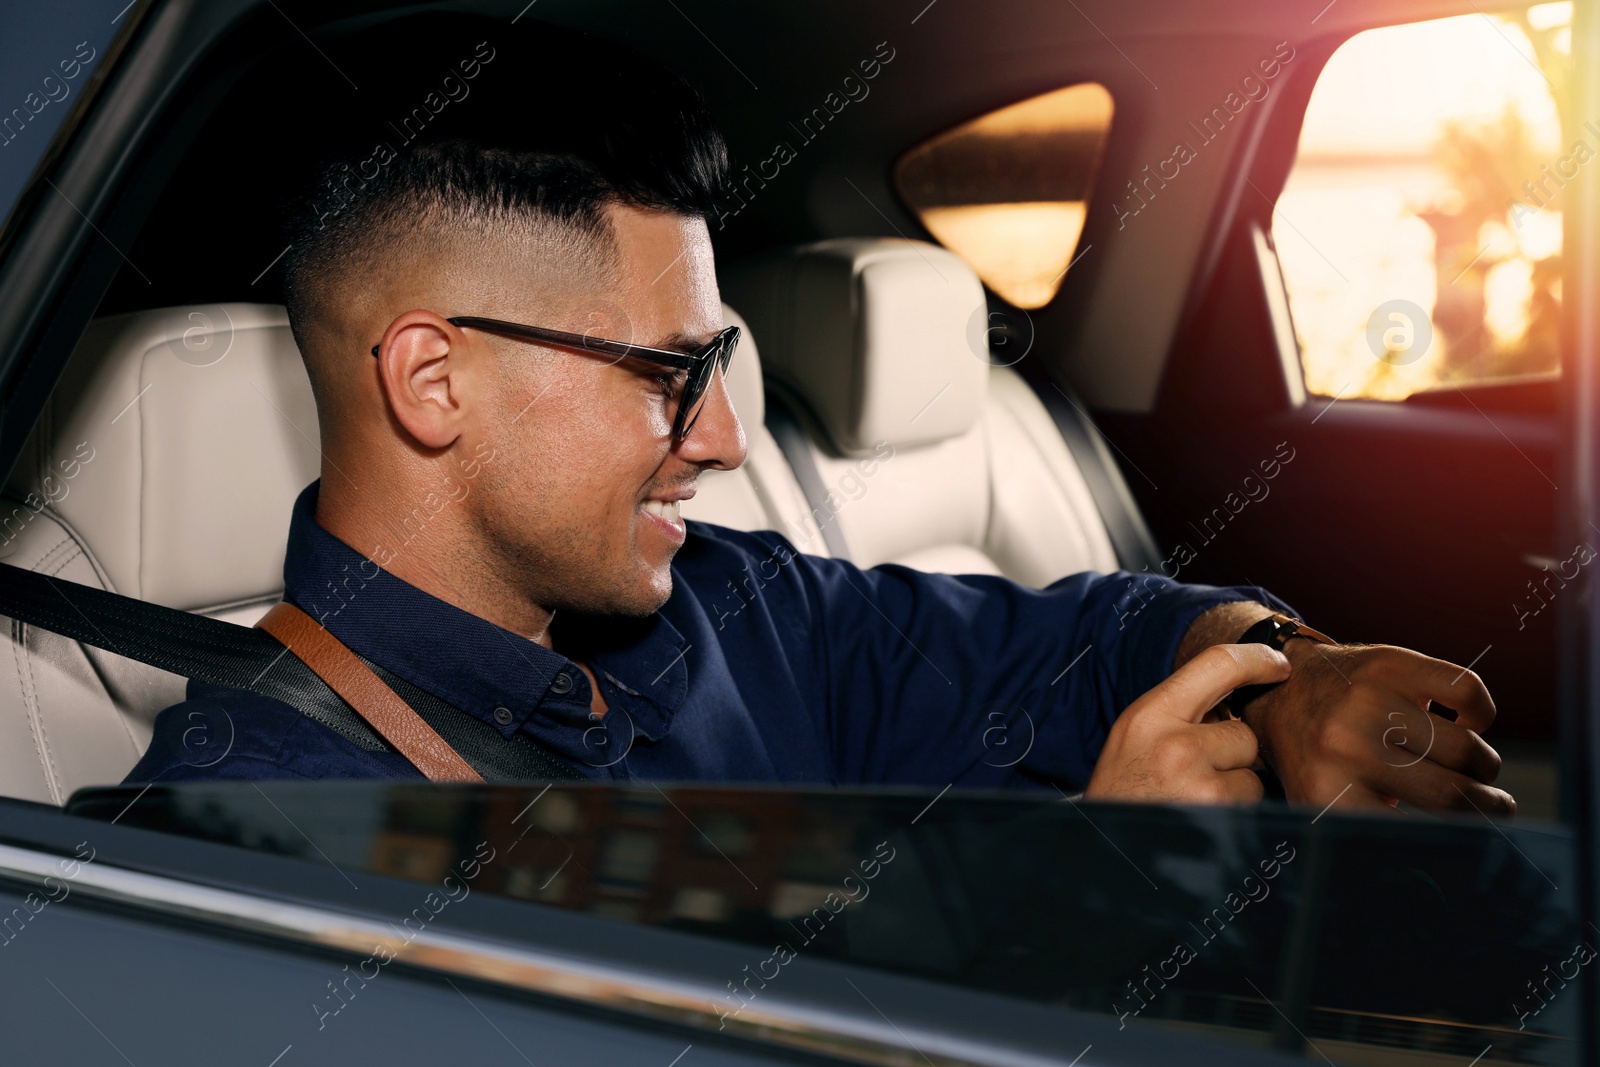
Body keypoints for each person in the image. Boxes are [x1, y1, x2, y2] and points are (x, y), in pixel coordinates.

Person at [124, 31, 1512, 816]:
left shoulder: (735, 608)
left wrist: (1298, 668)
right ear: (433, 383)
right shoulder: (239, 829)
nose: (729, 439)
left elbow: (1091, 638)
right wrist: (1102, 917)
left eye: (721, 363)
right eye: (669, 373)